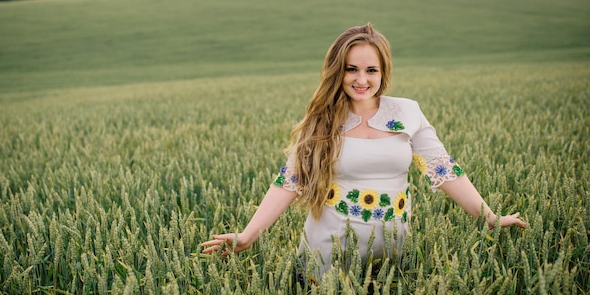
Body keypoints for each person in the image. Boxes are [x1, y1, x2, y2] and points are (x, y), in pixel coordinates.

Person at [201, 23, 526, 278]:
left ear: (383, 72)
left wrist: (490, 218)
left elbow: (443, 170)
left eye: (371, 70)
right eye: (351, 69)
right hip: (329, 250)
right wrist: (248, 236)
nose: (361, 79)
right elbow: (289, 182)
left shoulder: (407, 112)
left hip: (391, 250)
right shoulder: (322, 121)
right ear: (336, 70)